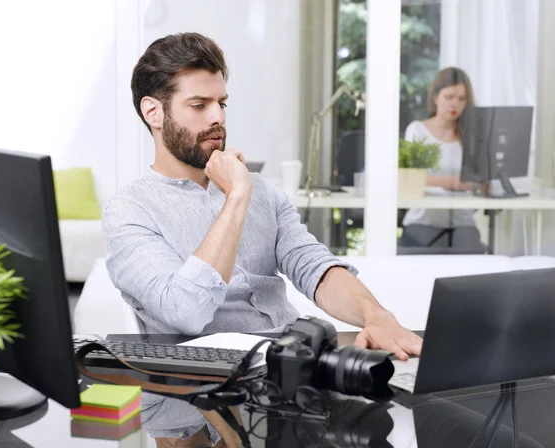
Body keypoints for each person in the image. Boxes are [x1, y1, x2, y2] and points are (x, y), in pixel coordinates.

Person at [102, 32, 421, 360]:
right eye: (199, 104)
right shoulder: (129, 211)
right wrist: (236, 199)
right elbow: (185, 311)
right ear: (153, 112)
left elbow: (311, 265)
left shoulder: (262, 190)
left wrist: (377, 317)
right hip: (212, 387)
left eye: (221, 103)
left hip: (294, 362)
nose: (219, 118)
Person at [400, 67, 486, 252]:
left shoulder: (471, 136)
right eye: (449, 97)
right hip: (423, 219)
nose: (454, 104)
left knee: (471, 258)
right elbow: (409, 180)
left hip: (463, 221)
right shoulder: (417, 131)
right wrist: (452, 182)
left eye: (461, 99)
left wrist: (477, 181)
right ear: (436, 97)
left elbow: (480, 181)